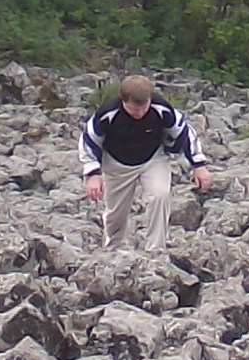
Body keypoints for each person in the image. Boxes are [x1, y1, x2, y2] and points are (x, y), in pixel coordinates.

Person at [79, 74, 210, 254]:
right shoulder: (108, 113)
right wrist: (93, 174)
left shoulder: (161, 108)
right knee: (115, 213)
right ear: (123, 101)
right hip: (117, 164)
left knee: (160, 195)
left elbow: (185, 133)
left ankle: (156, 250)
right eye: (134, 110)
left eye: (143, 108)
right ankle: (112, 250)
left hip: (153, 158)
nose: (140, 113)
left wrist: (199, 165)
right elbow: (88, 140)